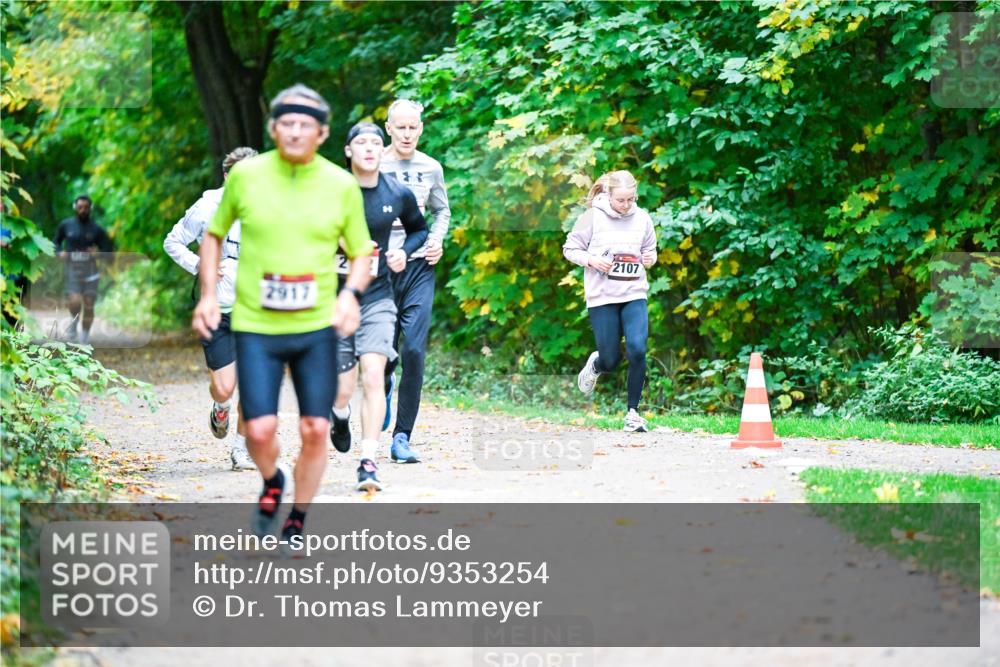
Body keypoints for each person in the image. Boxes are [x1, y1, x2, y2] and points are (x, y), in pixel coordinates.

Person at [192, 84, 372, 542]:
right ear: (273, 129)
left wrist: (350, 295)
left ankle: (297, 519)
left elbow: (360, 252)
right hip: (256, 324)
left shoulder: (340, 185)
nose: (294, 131)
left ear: (322, 133)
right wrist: (209, 294)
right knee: (258, 430)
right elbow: (212, 237)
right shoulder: (247, 178)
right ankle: (273, 479)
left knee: (314, 428)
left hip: (316, 326)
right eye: (286, 123)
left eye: (304, 125)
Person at [331, 122, 428, 492]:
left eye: (376, 142)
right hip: (336, 299)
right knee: (343, 388)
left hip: (378, 297)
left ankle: (368, 462)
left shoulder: (396, 191)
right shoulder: (330, 191)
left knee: (374, 375)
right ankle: (340, 414)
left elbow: (420, 228)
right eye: (362, 142)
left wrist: (403, 251)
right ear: (348, 151)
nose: (370, 148)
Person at [164, 146, 258, 471]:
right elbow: (172, 242)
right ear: (227, 176)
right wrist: (199, 264)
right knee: (224, 386)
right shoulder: (207, 207)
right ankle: (221, 406)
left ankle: (242, 450)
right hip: (217, 308)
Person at [379, 99, 451, 459]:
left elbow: (441, 211)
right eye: (401, 127)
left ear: (421, 128)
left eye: (413, 127)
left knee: (414, 350)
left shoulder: (431, 167)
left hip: (420, 267)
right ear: (389, 128)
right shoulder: (372, 165)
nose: (407, 134)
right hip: (381, 270)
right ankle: (383, 382)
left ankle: (401, 437)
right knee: (384, 354)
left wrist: (436, 239)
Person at [562, 170, 657, 433]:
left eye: (630, 199)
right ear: (609, 195)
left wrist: (650, 258)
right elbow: (570, 249)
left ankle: (633, 413)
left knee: (638, 349)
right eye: (620, 200)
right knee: (610, 360)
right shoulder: (592, 217)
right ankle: (596, 364)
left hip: (634, 293)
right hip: (602, 297)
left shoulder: (643, 218)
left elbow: (649, 249)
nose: (626, 205)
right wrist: (591, 260)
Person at [53, 195, 114, 344]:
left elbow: (108, 251)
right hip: (72, 270)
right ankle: (74, 323)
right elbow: (55, 242)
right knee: (74, 301)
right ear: (75, 208)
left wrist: (97, 254)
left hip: (91, 273)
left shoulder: (97, 229)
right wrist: (59, 253)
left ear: (90, 209)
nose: (83, 210)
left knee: (89, 305)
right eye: (80, 207)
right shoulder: (66, 225)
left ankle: (84, 338)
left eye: (86, 207)